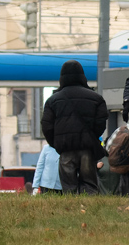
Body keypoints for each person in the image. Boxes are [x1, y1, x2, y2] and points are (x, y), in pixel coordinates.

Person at [41, 59, 108, 194]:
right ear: (82, 76)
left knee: (68, 186)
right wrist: (90, 137)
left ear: (62, 77)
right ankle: (89, 206)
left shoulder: (53, 100)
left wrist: (57, 143)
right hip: (87, 149)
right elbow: (101, 123)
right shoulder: (96, 98)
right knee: (89, 184)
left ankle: (71, 206)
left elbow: (47, 126)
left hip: (66, 149)